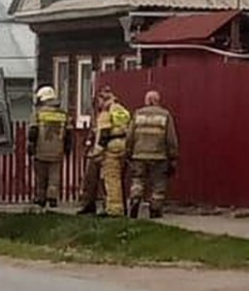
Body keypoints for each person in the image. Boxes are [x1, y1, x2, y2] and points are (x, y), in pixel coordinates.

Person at [126, 90, 179, 219]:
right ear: (157, 101)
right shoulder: (165, 115)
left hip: (139, 155)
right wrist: (173, 156)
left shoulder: (138, 114)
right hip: (158, 156)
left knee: (137, 180)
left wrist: (128, 152)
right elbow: (171, 138)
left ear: (146, 100)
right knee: (158, 184)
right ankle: (155, 209)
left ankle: (135, 199)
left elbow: (130, 135)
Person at [27, 86, 72, 212]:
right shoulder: (63, 114)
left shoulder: (38, 113)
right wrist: (67, 148)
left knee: (41, 177)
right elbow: (68, 134)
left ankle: (40, 199)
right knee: (54, 177)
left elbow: (33, 132)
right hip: (57, 150)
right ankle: (52, 199)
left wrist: (31, 146)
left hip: (41, 150)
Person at [96, 86, 131, 217]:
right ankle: (122, 207)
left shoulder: (106, 111)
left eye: (99, 100)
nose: (98, 104)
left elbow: (104, 132)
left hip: (111, 146)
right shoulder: (122, 110)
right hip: (124, 144)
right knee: (120, 178)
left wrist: (98, 150)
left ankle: (115, 210)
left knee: (111, 178)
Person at [76, 90, 107, 215]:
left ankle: (107, 206)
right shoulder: (97, 115)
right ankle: (88, 205)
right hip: (95, 151)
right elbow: (94, 131)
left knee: (106, 181)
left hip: (105, 152)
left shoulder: (109, 114)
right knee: (89, 180)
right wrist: (89, 140)